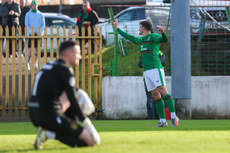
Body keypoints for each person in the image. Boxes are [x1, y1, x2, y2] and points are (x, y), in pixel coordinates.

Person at [28, 40, 100, 150]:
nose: (80, 57)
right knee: (92, 141)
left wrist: (79, 93)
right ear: (68, 53)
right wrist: (88, 124)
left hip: (34, 113)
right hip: (49, 116)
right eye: (78, 53)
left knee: (74, 94)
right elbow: (73, 99)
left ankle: (54, 130)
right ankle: (50, 133)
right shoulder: (64, 70)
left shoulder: (50, 66)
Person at [112, 19, 179, 127]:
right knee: (155, 95)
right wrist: (117, 29)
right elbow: (129, 37)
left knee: (163, 91)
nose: (138, 29)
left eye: (139, 27)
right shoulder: (141, 40)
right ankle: (162, 121)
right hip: (147, 72)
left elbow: (164, 40)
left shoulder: (153, 37)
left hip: (155, 69)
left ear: (143, 27)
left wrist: (162, 32)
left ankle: (173, 116)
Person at [139, 50, 165, 120]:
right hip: (156, 76)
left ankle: (152, 117)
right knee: (156, 97)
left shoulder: (144, 52)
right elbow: (163, 63)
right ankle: (156, 116)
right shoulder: (159, 52)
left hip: (149, 77)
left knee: (151, 98)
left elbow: (140, 64)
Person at [25, 0, 44, 70]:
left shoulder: (41, 14)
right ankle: (27, 63)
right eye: (33, 5)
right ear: (31, 6)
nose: (34, 6)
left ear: (37, 6)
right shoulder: (28, 14)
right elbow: (26, 24)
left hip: (38, 35)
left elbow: (43, 25)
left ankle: (35, 63)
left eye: (35, 5)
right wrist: (31, 32)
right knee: (29, 49)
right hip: (31, 35)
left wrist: (40, 33)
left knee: (37, 49)